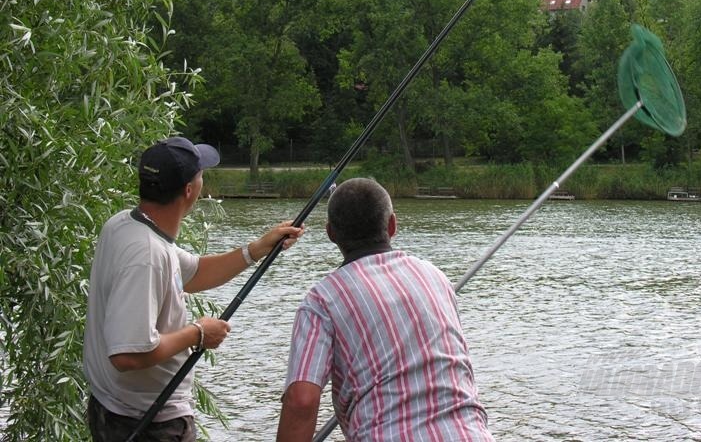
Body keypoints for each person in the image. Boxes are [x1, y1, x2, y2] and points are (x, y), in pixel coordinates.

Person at [83, 136, 304, 441]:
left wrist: (256, 249)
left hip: (113, 410)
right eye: (201, 174)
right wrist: (199, 333)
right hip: (148, 424)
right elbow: (127, 355)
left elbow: (194, 272)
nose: (203, 180)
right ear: (189, 190)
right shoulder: (147, 255)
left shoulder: (124, 225)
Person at [277, 177, 494, 441]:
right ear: (392, 224)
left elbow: (301, 401)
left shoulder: (321, 301)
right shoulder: (435, 276)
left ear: (331, 233)